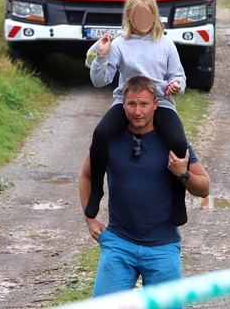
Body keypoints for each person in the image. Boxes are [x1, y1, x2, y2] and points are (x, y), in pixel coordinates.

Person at [78, 74, 210, 298]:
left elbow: (204, 188)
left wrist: (183, 173)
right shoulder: (109, 140)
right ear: (123, 104)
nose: (137, 111)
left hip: (163, 248)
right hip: (118, 245)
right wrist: (90, 219)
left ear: (156, 104)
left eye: (144, 104)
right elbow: (86, 176)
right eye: (131, 104)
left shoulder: (174, 143)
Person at [85, 0, 190, 225]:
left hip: (160, 101)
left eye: (148, 15)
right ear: (129, 17)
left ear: (154, 16)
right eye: (138, 15)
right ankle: (97, 190)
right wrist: (101, 57)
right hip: (127, 101)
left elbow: (179, 78)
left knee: (178, 141)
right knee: (101, 134)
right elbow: (99, 80)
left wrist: (176, 86)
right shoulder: (119, 45)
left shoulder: (166, 44)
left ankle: (177, 198)